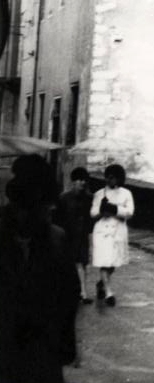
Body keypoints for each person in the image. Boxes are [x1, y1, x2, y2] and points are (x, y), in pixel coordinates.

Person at [0, 154, 79, 383]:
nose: (48, 212)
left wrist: (65, 345)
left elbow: (69, 295)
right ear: (20, 205)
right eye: (42, 206)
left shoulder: (56, 239)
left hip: (42, 353)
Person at [90, 164, 134, 306]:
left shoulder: (126, 193)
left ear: (119, 179)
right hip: (102, 231)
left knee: (113, 262)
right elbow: (93, 213)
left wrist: (115, 209)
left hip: (118, 232)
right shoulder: (99, 194)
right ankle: (109, 292)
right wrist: (102, 211)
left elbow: (130, 212)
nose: (111, 180)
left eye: (114, 178)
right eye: (109, 177)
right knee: (104, 261)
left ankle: (101, 283)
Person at [55, 167, 95, 304]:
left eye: (84, 179)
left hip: (82, 235)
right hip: (68, 235)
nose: (82, 182)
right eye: (79, 179)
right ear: (74, 181)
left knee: (82, 263)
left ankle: (82, 292)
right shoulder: (64, 198)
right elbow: (57, 218)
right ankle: (75, 291)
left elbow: (92, 218)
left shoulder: (90, 198)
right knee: (70, 264)